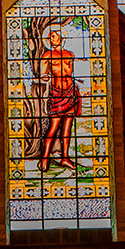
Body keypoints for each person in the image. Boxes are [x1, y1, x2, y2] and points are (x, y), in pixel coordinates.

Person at [37, 30, 80, 173]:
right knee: (53, 128)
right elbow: (42, 74)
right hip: (57, 94)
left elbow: (70, 72)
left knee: (67, 128)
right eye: (49, 37)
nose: (51, 39)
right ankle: (44, 158)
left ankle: (65, 157)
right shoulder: (47, 55)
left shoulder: (70, 54)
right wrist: (44, 77)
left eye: (54, 36)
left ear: (61, 37)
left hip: (71, 92)